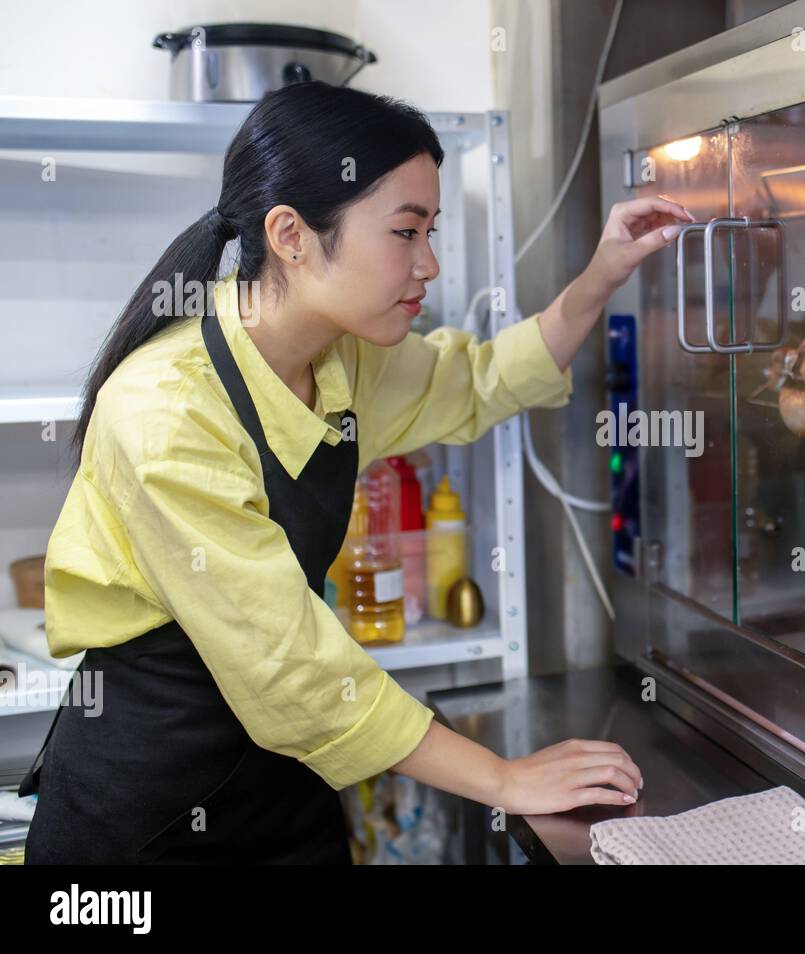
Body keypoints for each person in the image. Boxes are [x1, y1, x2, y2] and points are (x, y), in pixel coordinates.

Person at [22, 80, 691, 864]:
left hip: (284, 783)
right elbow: (292, 672)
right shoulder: (167, 411)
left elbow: (478, 380)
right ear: (291, 234)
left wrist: (602, 275)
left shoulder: (340, 361)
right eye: (405, 232)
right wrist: (506, 780)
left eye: (431, 230)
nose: (430, 262)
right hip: (146, 812)